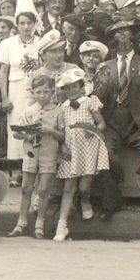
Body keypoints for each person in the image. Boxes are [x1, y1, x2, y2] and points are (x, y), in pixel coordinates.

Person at [95, 16, 140, 222]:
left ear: (133, 38)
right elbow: (97, 101)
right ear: (112, 42)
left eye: (126, 34)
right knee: (105, 156)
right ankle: (111, 200)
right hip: (112, 125)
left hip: (139, 126)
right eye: (117, 35)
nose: (122, 39)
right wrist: (100, 83)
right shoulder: (104, 67)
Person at [54, 69, 110, 241]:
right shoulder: (63, 108)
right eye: (67, 88)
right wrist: (63, 146)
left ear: (82, 87)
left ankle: (85, 200)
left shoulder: (89, 102)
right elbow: (61, 131)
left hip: (89, 147)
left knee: (84, 186)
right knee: (68, 187)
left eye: (74, 87)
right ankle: (61, 226)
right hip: (71, 148)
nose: (71, 91)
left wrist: (91, 131)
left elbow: (101, 124)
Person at [7, 75, 64, 239]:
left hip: (49, 153)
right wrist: (28, 137)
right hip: (31, 152)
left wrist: (50, 130)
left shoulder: (57, 111)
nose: (42, 95)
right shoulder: (29, 111)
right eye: (38, 92)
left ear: (52, 92)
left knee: (44, 190)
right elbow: (17, 132)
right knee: (26, 188)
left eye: (46, 92)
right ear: (33, 92)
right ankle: (21, 223)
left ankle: (39, 224)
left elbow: (62, 136)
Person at [0, 0, 41, 164]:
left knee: (34, 124)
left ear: (35, 23)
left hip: (36, 91)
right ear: (17, 24)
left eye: (29, 23)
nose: (26, 27)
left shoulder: (40, 42)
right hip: (15, 91)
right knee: (17, 126)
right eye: (22, 23)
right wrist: (4, 97)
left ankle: (33, 164)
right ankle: (18, 167)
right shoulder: (7, 44)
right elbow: (3, 71)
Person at [33, 28, 79, 101]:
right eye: (53, 52)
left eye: (60, 51)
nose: (59, 55)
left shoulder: (73, 68)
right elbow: (30, 100)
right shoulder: (36, 75)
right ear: (43, 55)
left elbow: (83, 93)